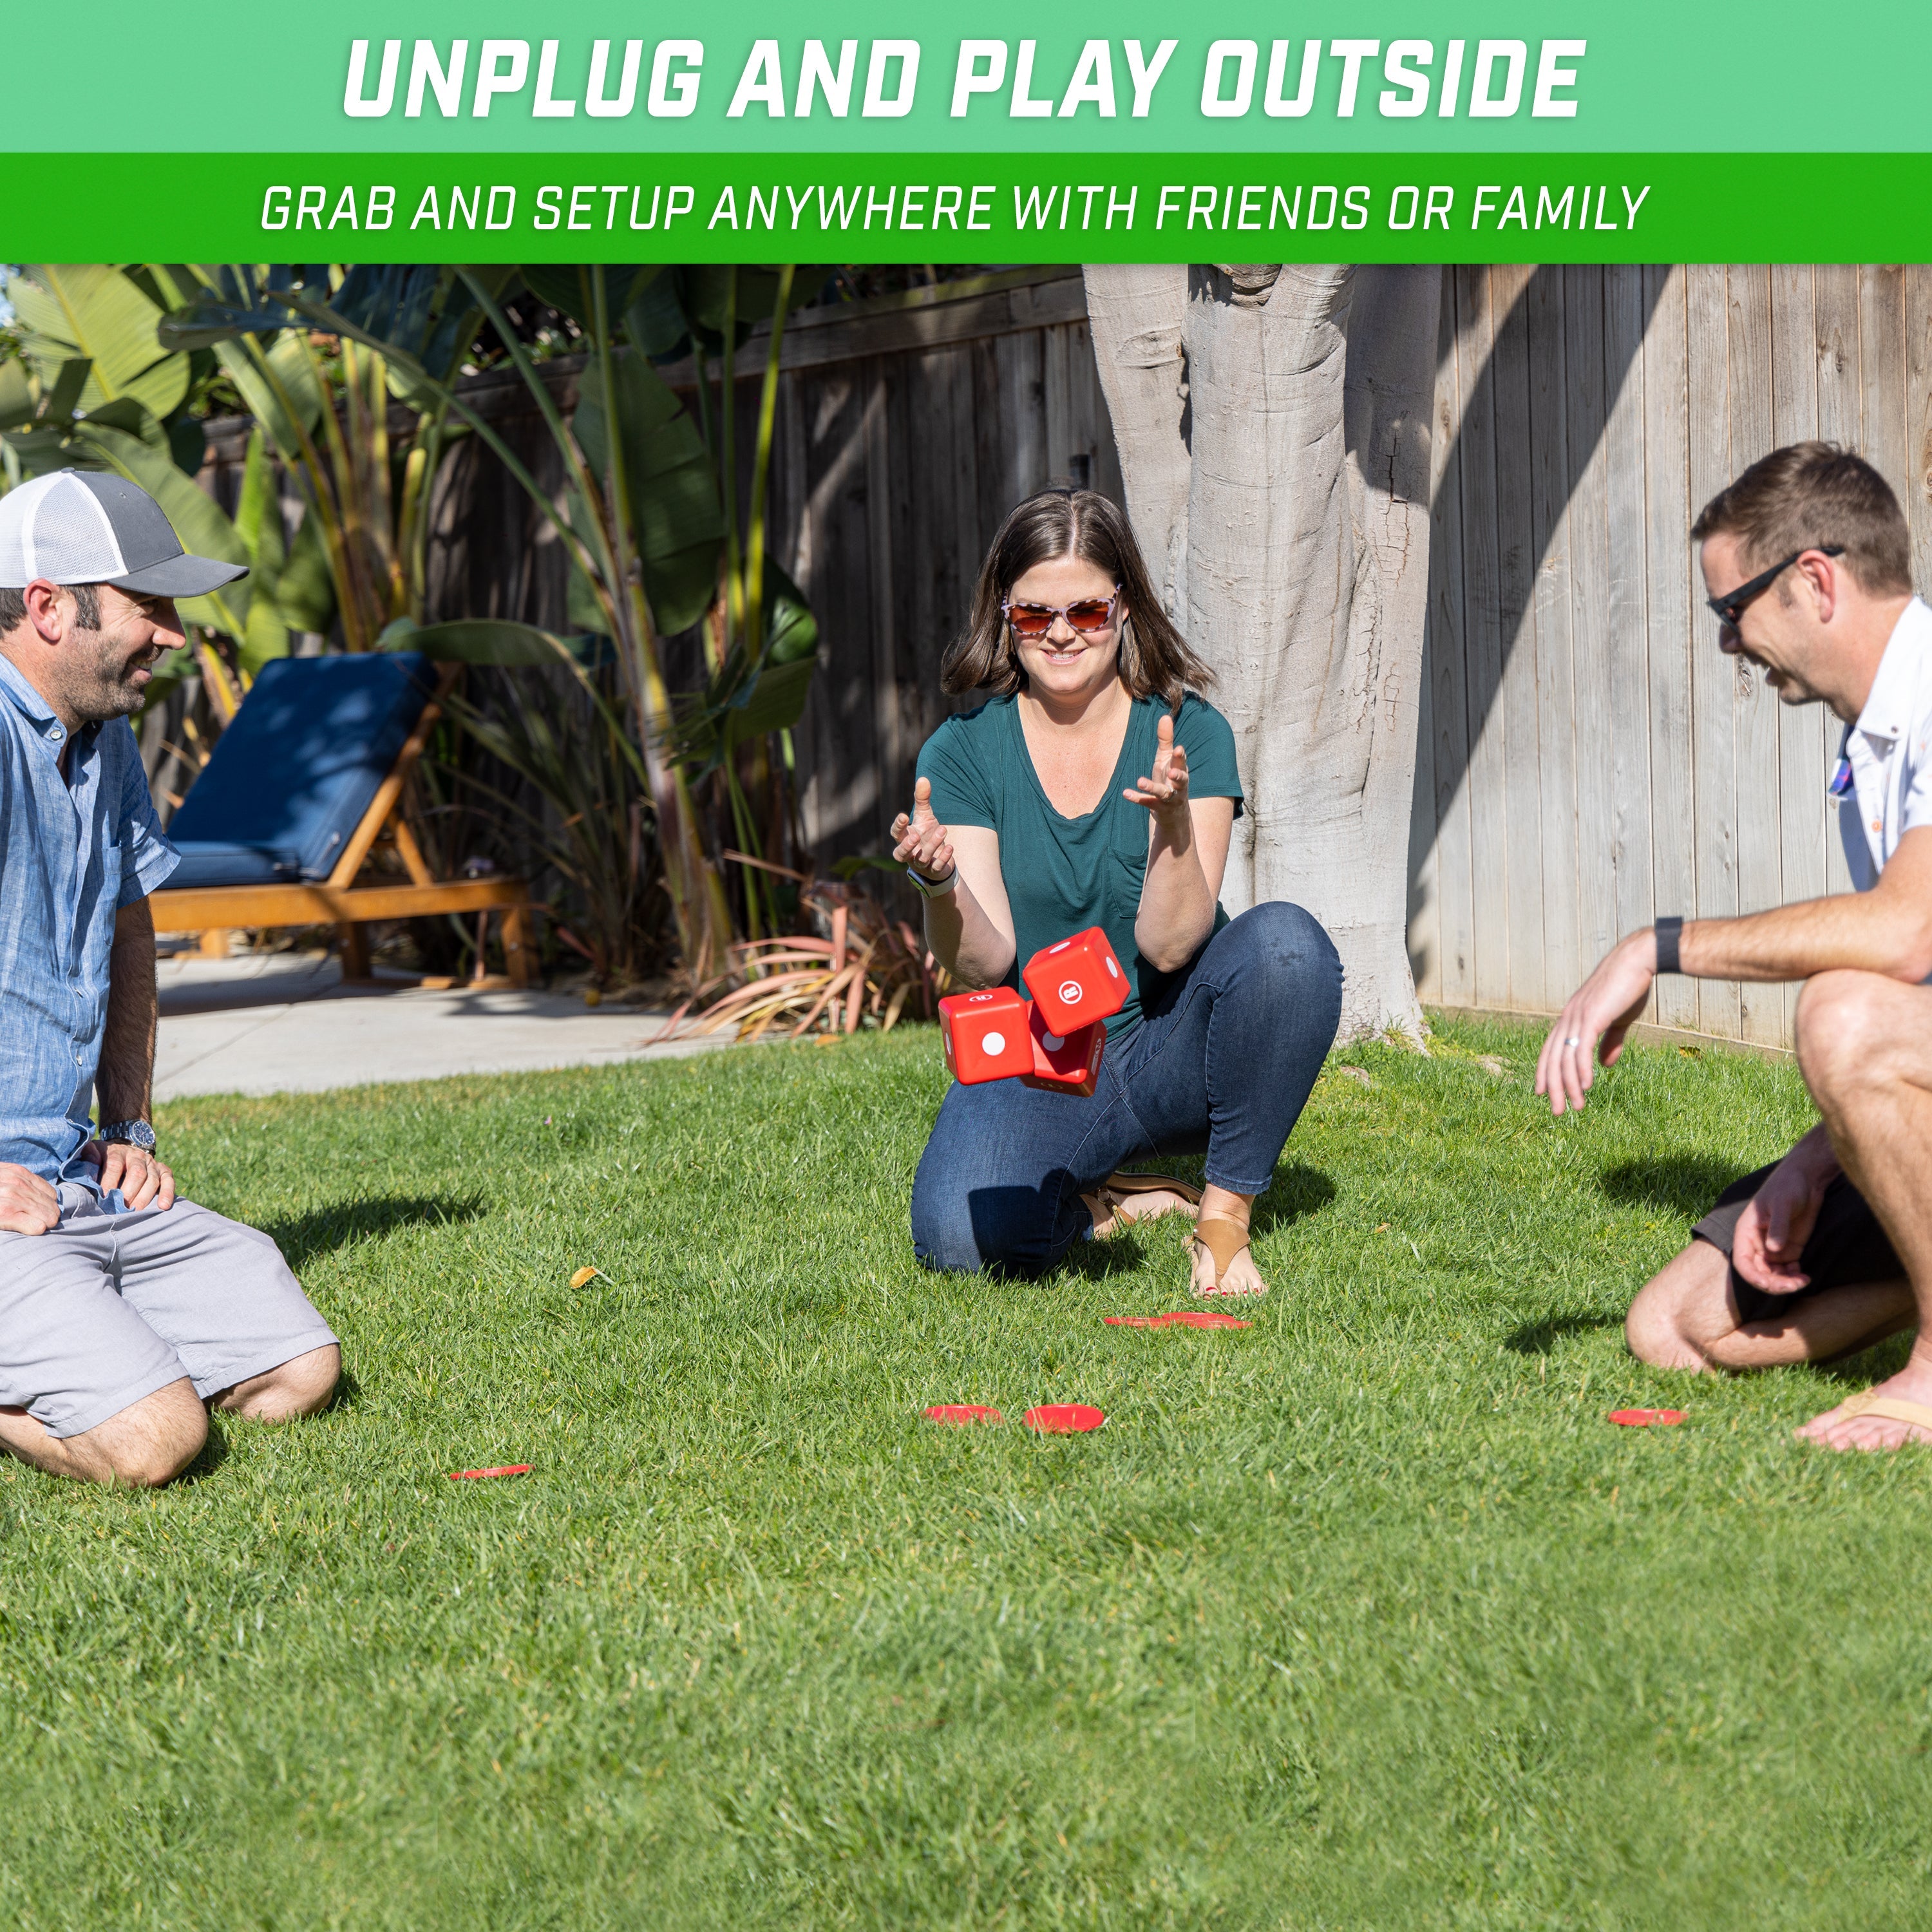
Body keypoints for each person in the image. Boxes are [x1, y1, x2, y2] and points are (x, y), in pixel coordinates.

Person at [1535, 442, 1932, 1451]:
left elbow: (1904, 932)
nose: (1729, 645)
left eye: (1731, 611)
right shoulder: (1874, 744)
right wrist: (1819, 1160)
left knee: (1840, 1010)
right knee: (1673, 1325)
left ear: (1813, 581)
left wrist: (1654, 948)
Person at [900, 487, 1342, 1293]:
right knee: (956, 1240)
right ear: (1005, 616)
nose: (1062, 633)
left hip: (1169, 1047)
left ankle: (1222, 1218)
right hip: (1044, 1059)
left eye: (1087, 611)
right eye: (1035, 615)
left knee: (1287, 945)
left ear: (1125, 608)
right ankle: (1102, 1199)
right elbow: (981, 963)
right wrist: (939, 883)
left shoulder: (1187, 732)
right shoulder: (960, 752)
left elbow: (1171, 946)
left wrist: (1172, 821)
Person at [0, 469, 341, 1486]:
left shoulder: (104, 739)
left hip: (69, 1181)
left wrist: (129, 1130)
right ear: (50, 606)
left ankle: (91, 1333)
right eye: (151, 607)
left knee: (298, 1373)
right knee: (159, 1440)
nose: (175, 637)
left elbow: (130, 924)